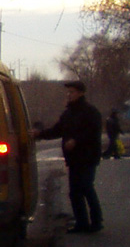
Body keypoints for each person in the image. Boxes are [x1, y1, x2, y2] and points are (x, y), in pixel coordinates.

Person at [34, 80, 104, 234]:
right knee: (75, 192)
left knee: (86, 187)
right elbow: (57, 130)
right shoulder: (68, 113)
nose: (68, 95)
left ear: (80, 93)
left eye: (71, 92)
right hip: (74, 159)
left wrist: (76, 140)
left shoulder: (90, 112)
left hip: (88, 157)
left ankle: (97, 221)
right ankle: (81, 223)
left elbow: (93, 133)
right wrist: (39, 134)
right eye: (68, 92)